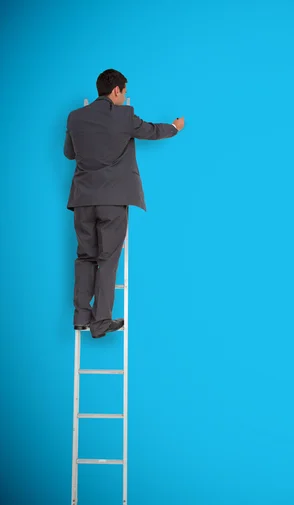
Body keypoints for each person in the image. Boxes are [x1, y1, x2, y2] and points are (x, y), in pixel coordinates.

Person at [64, 69, 185, 338]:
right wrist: (175, 128)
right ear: (117, 90)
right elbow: (152, 131)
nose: (125, 95)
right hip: (113, 201)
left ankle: (81, 316)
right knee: (107, 260)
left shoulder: (74, 117)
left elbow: (69, 153)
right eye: (125, 91)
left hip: (83, 201)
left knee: (85, 257)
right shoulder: (124, 116)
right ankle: (101, 322)